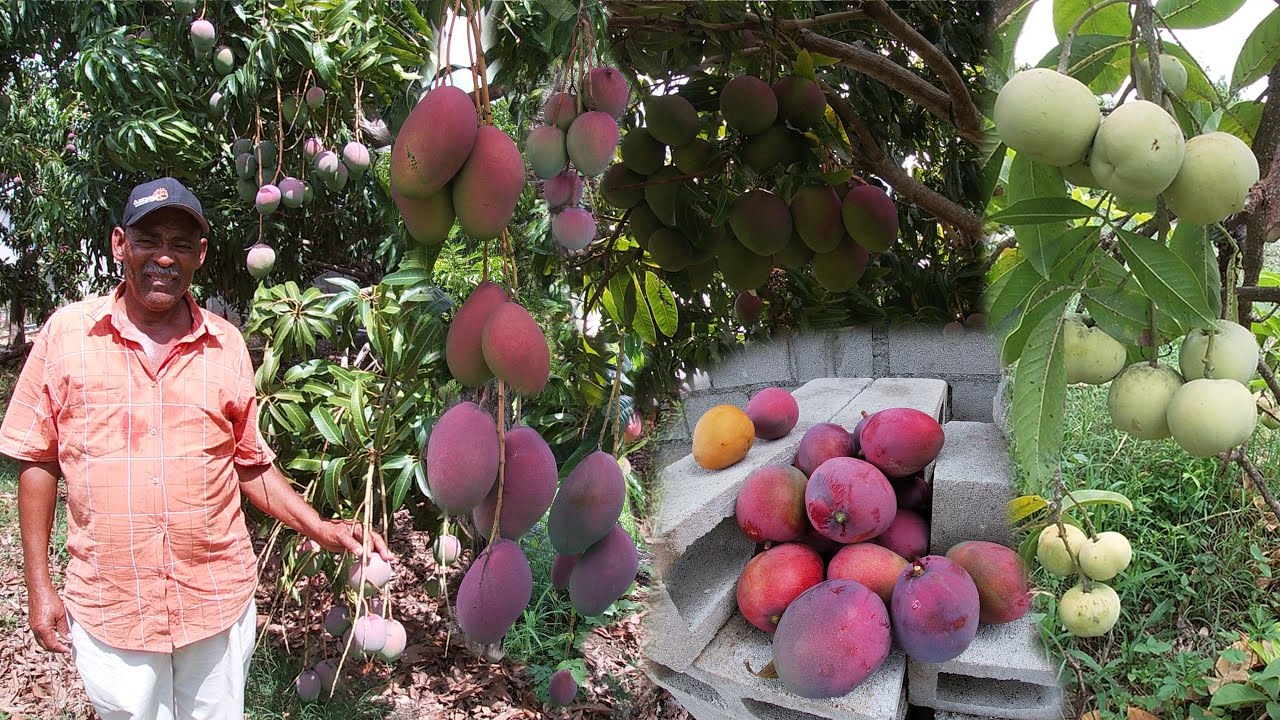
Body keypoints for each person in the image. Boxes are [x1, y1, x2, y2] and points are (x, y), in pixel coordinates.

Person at [0, 177, 391, 720]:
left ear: (200, 255)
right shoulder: (68, 336)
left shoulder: (226, 345)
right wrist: (38, 587)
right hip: (115, 603)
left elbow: (250, 463)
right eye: (148, 239)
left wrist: (319, 526)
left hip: (214, 599)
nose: (164, 257)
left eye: (181, 244)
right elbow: (37, 459)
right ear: (119, 244)